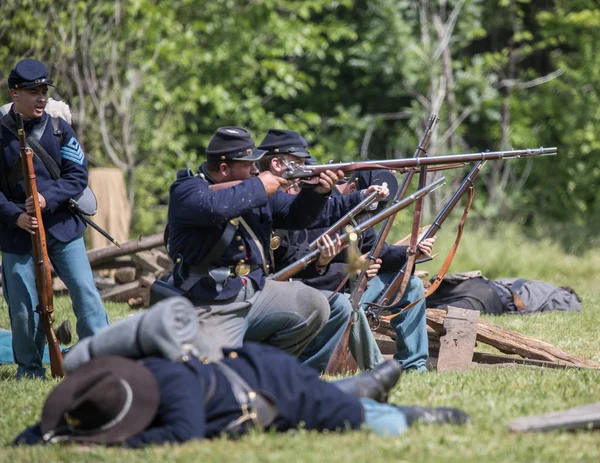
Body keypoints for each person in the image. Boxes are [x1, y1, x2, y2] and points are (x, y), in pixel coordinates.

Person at [14, 342, 469, 447]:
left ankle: (415, 413)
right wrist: (41, 433)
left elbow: (186, 432)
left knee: (370, 421)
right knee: (337, 397)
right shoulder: (117, 380)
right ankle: (362, 389)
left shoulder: (172, 387)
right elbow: (68, 414)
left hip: (272, 386)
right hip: (246, 367)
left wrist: (103, 441)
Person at [166, 126, 364, 362]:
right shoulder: (187, 190)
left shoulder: (252, 190)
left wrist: (317, 192)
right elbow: (215, 206)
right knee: (213, 375)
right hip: (211, 301)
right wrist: (259, 186)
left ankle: (266, 367)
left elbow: (295, 214)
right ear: (223, 168)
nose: (255, 170)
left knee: (314, 306)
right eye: (248, 164)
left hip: (256, 291)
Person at [257, 129, 435, 372]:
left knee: (410, 284)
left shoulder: (352, 211)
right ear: (353, 188)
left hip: (352, 282)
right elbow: (293, 265)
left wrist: (410, 254)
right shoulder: (306, 206)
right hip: (324, 288)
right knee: (345, 305)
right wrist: (348, 267)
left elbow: (374, 249)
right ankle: (375, 371)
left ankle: (415, 366)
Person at [0, 59, 109, 378]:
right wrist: (15, 216)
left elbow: (78, 176)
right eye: (33, 91)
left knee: (85, 292)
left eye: (44, 91)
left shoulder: (59, 128)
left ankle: (99, 357)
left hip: (61, 227)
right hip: (17, 232)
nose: (41, 98)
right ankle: (29, 368)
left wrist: (48, 199)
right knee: (22, 308)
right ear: (14, 93)